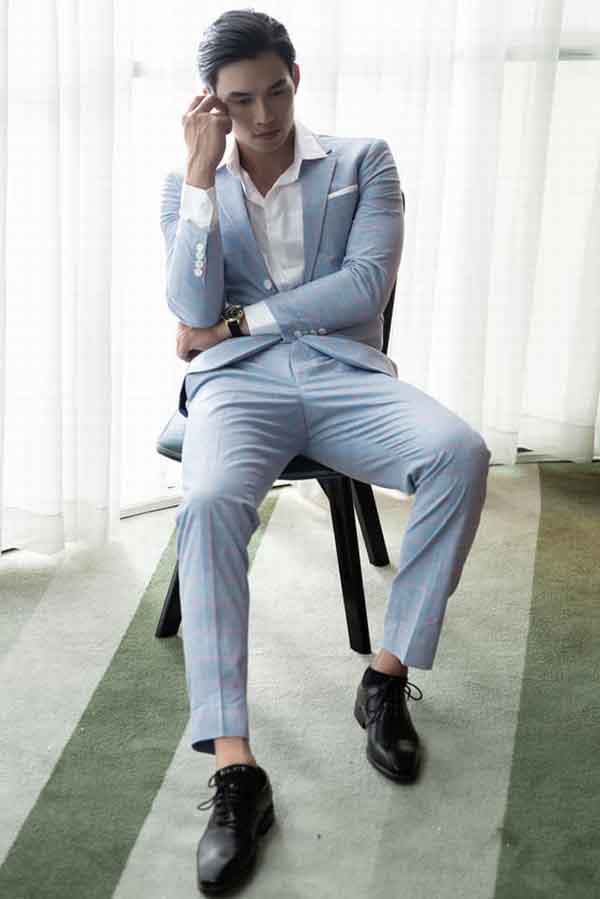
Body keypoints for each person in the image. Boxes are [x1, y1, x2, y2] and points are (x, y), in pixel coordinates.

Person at [159, 8, 491, 894]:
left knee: (460, 453)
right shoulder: (187, 186)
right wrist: (199, 175)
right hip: (238, 389)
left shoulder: (363, 161)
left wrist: (238, 321)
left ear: (296, 77)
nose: (264, 115)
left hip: (346, 375)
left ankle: (384, 676)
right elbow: (187, 309)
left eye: (276, 91)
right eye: (240, 101)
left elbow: (365, 285)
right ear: (211, 104)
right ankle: (236, 767)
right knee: (208, 504)